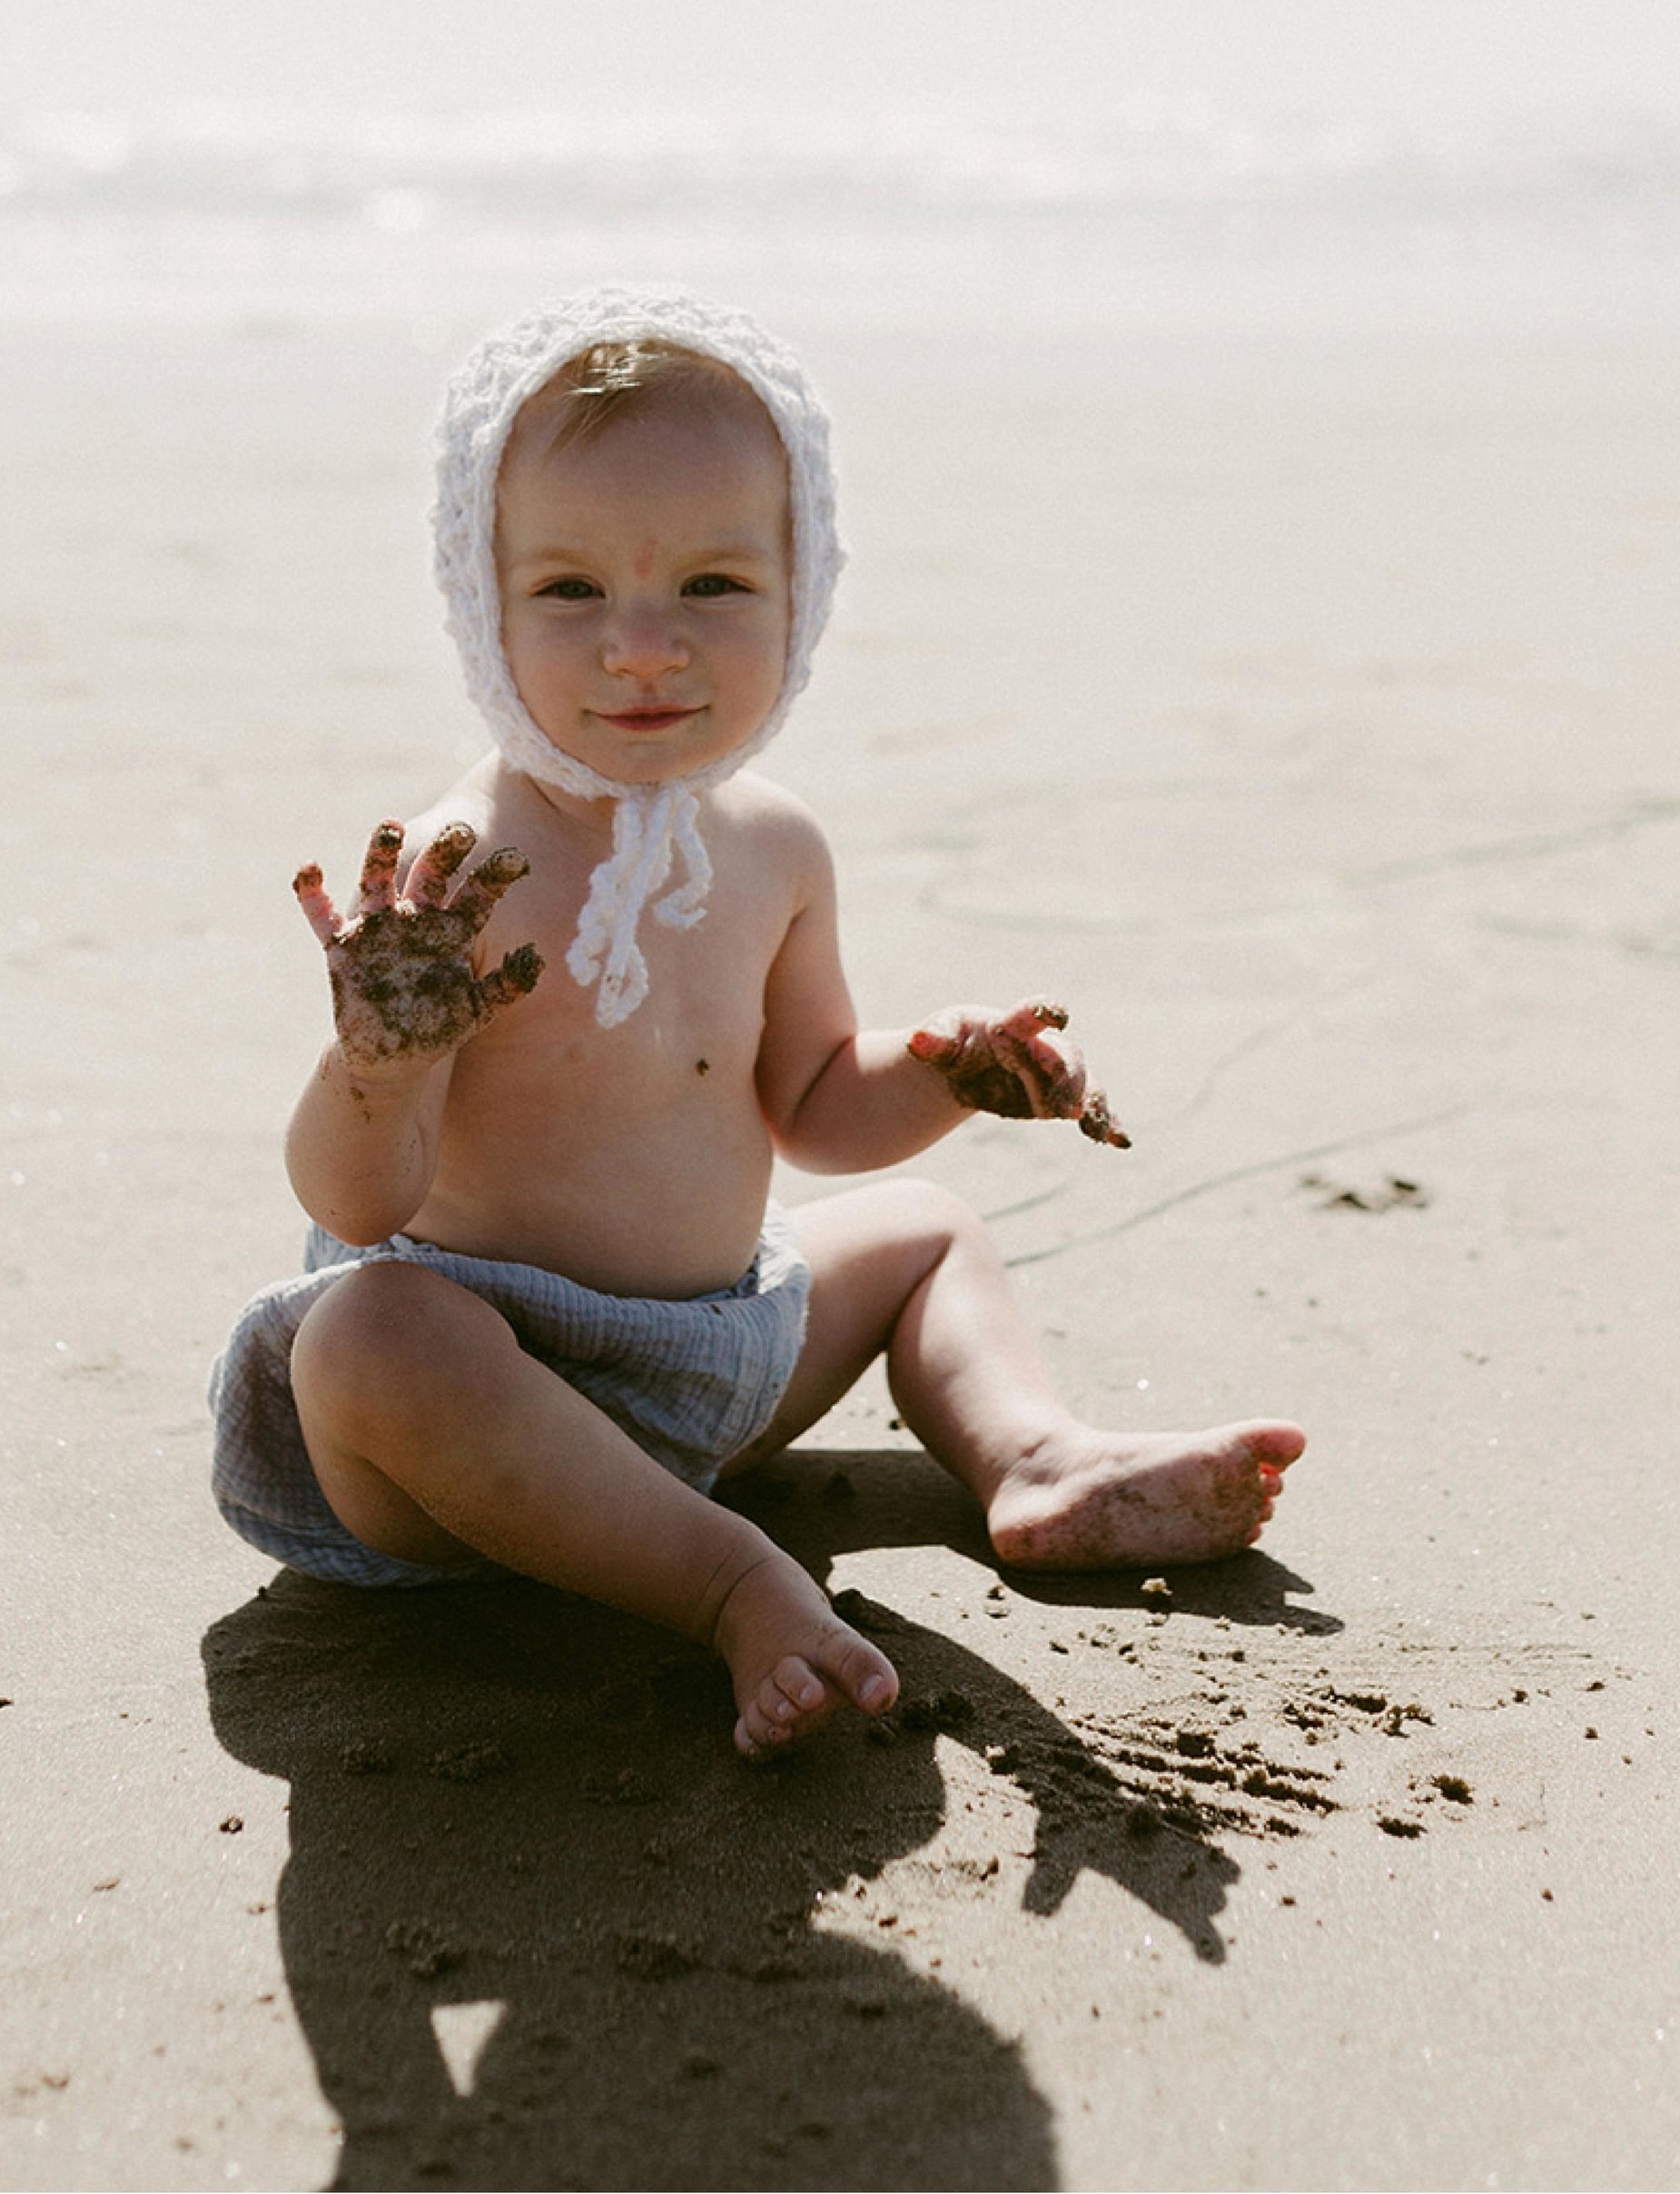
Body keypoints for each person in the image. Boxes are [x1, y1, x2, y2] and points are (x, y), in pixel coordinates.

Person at [211, 291, 1304, 1756]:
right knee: (366, 1331)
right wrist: (378, 1061)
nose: (644, 648)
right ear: (482, 602)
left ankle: (1031, 1456)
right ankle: (729, 1583)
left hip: (709, 1368)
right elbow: (357, 1199)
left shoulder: (775, 848)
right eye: (571, 593)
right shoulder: (464, 880)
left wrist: (947, 1070)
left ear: (806, 591)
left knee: (926, 1229)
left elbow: (813, 1110)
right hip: (474, 1420)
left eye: (713, 588)